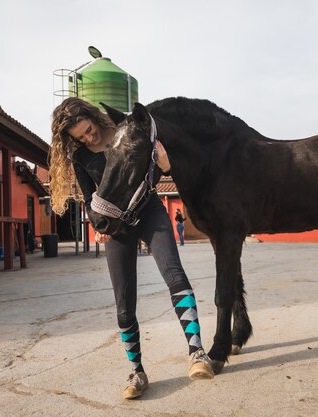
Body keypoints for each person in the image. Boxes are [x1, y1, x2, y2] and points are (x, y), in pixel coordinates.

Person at [49, 97, 214, 399]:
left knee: (174, 274)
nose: (89, 137)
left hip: (150, 210)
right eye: (81, 137)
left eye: (88, 129)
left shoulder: (125, 131)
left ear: (92, 117)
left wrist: (165, 164)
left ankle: (197, 352)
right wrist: (98, 227)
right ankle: (137, 372)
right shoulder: (81, 159)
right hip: (117, 225)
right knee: (124, 303)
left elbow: (158, 170)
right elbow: (91, 199)